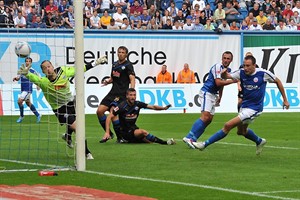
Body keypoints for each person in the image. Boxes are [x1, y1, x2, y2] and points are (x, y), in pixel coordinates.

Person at [192, 55, 290, 155]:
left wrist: (285, 100)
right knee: (241, 132)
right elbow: (227, 77)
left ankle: (204, 144)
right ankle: (259, 141)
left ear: (254, 65)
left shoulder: (262, 73)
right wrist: (224, 74)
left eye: (248, 66)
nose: (245, 68)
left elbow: (277, 81)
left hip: (254, 108)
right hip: (244, 106)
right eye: (244, 65)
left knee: (228, 125)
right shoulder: (241, 72)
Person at [17, 55, 108, 159]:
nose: (48, 69)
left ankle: (67, 137)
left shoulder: (63, 71)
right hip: (59, 108)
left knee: (73, 123)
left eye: (49, 66)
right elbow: (33, 77)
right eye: (45, 68)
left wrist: (96, 63)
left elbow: (79, 70)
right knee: (77, 127)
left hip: (70, 103)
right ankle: (87, 153)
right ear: (43, 72)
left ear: (52, 66)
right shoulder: (43, 82)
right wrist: (26, 73)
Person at [182, 51, 237, 148]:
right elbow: (218, 83)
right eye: (224, 58)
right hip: (207, 92)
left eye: (228, 58)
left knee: (209, 120)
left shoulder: (227, 70)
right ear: (222, 58)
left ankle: (193, 139)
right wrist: (233, 81)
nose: (226, 60)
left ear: (231, 60)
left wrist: (220, 96)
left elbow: (221, 84)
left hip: (213, 95)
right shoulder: (217, 67)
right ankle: (189, 137)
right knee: (205, 117)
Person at [105, 88, 176, 145]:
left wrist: (163, 108)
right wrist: (107, 132)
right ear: (127, 96)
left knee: (149, 142)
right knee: (143, 132)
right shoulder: (122, 106)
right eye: (131, 95)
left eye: (134, 95)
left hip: (133, 129)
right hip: (125, 132)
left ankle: (131, 140)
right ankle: (165, 142)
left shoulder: (138, 104)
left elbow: (153, 107)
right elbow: (109, 117)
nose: (133, 97)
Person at [97, 46, 135, 143]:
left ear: (126, 54)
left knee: (113, 113)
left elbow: (132, 79)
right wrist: (108, 81)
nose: (120, 54)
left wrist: (132, 92)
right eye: (119, 52)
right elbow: (113, 78)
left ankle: (119, 138)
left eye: (123, 52)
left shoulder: (128, 65)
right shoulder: (114, 64)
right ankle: (109, 133)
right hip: (112, 92)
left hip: (122, 94)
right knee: (99, 111)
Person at [13, 57, 41, 123]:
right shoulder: (21, 69)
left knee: (19, 101)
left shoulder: (32, 71)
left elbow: (38, 78)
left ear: (31, 63)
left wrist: (38, 85)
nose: (27, 62)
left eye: (29, 61)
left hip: (28, 89)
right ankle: (38, 115)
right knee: (28, 103)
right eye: (26, 61)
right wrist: (15, 78)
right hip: (23, 89)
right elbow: (18, 77)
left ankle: (21, 116)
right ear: (25, 62)